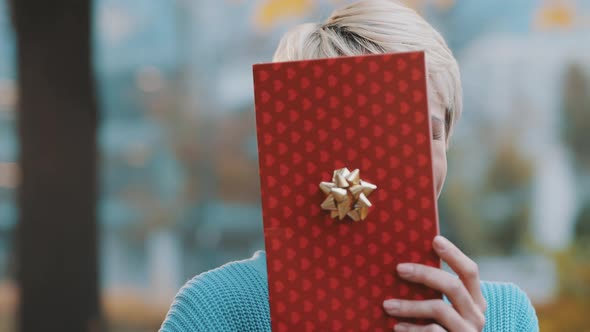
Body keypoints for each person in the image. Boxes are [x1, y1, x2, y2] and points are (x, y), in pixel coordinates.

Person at [159, 1, 539, 331]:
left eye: (428, 133)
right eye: (370, 136)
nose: (397, 163)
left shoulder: (506, 316)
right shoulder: (216, 311)